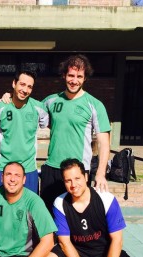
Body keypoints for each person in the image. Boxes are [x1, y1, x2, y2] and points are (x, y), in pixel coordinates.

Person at [40, 158, 143, 257]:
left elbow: (117, 240)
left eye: (77, 178)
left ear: (85, 177)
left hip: (104, 253)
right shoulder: (60, 203)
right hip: (78, 253)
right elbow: (65, 243)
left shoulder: (106, 199)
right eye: (68, 180)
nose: (73, 185)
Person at [40, 54, 111, 215]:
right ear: (64, 75)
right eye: (71, 75)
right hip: (52, 168)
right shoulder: (51, 101)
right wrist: (8, 97)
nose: (74, 80)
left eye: (79, 76)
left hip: (78, 171)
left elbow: (104, 143)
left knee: (75, 216)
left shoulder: (94, 105)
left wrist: (100, 173)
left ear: (85, 78)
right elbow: (26, 111)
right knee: (48, 217)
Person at [0, 70, 48, 194]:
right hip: (3, 168)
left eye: (29, 87)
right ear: (14, 83)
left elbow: (49, 125)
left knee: (28, 211)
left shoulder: (39, 109)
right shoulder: (1, 107)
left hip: (28, 170)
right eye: (22, 84)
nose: (25, 90)